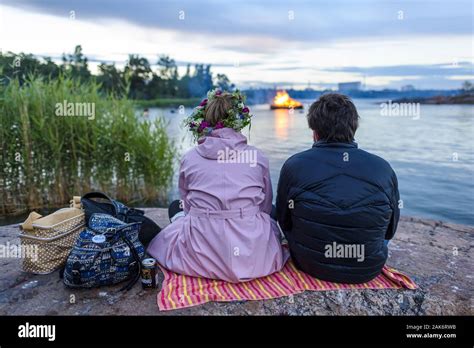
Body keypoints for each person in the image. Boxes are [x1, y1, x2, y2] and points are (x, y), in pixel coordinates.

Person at [147, 89, 289, 282]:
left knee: (176, 208)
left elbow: (188, 205)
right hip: (251, 254)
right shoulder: (257, 157)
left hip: (200, 250)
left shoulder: (189, 158)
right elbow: (264, 206)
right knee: (269, 210)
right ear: (239, 121)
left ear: (205, 120)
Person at [276, 93, 400, 284]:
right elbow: (390, 231)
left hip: (310, 263)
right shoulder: (383, 167)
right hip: (367, 267)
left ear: (315, 132)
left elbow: (284, 221)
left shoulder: (294, 165)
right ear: (353, 128)